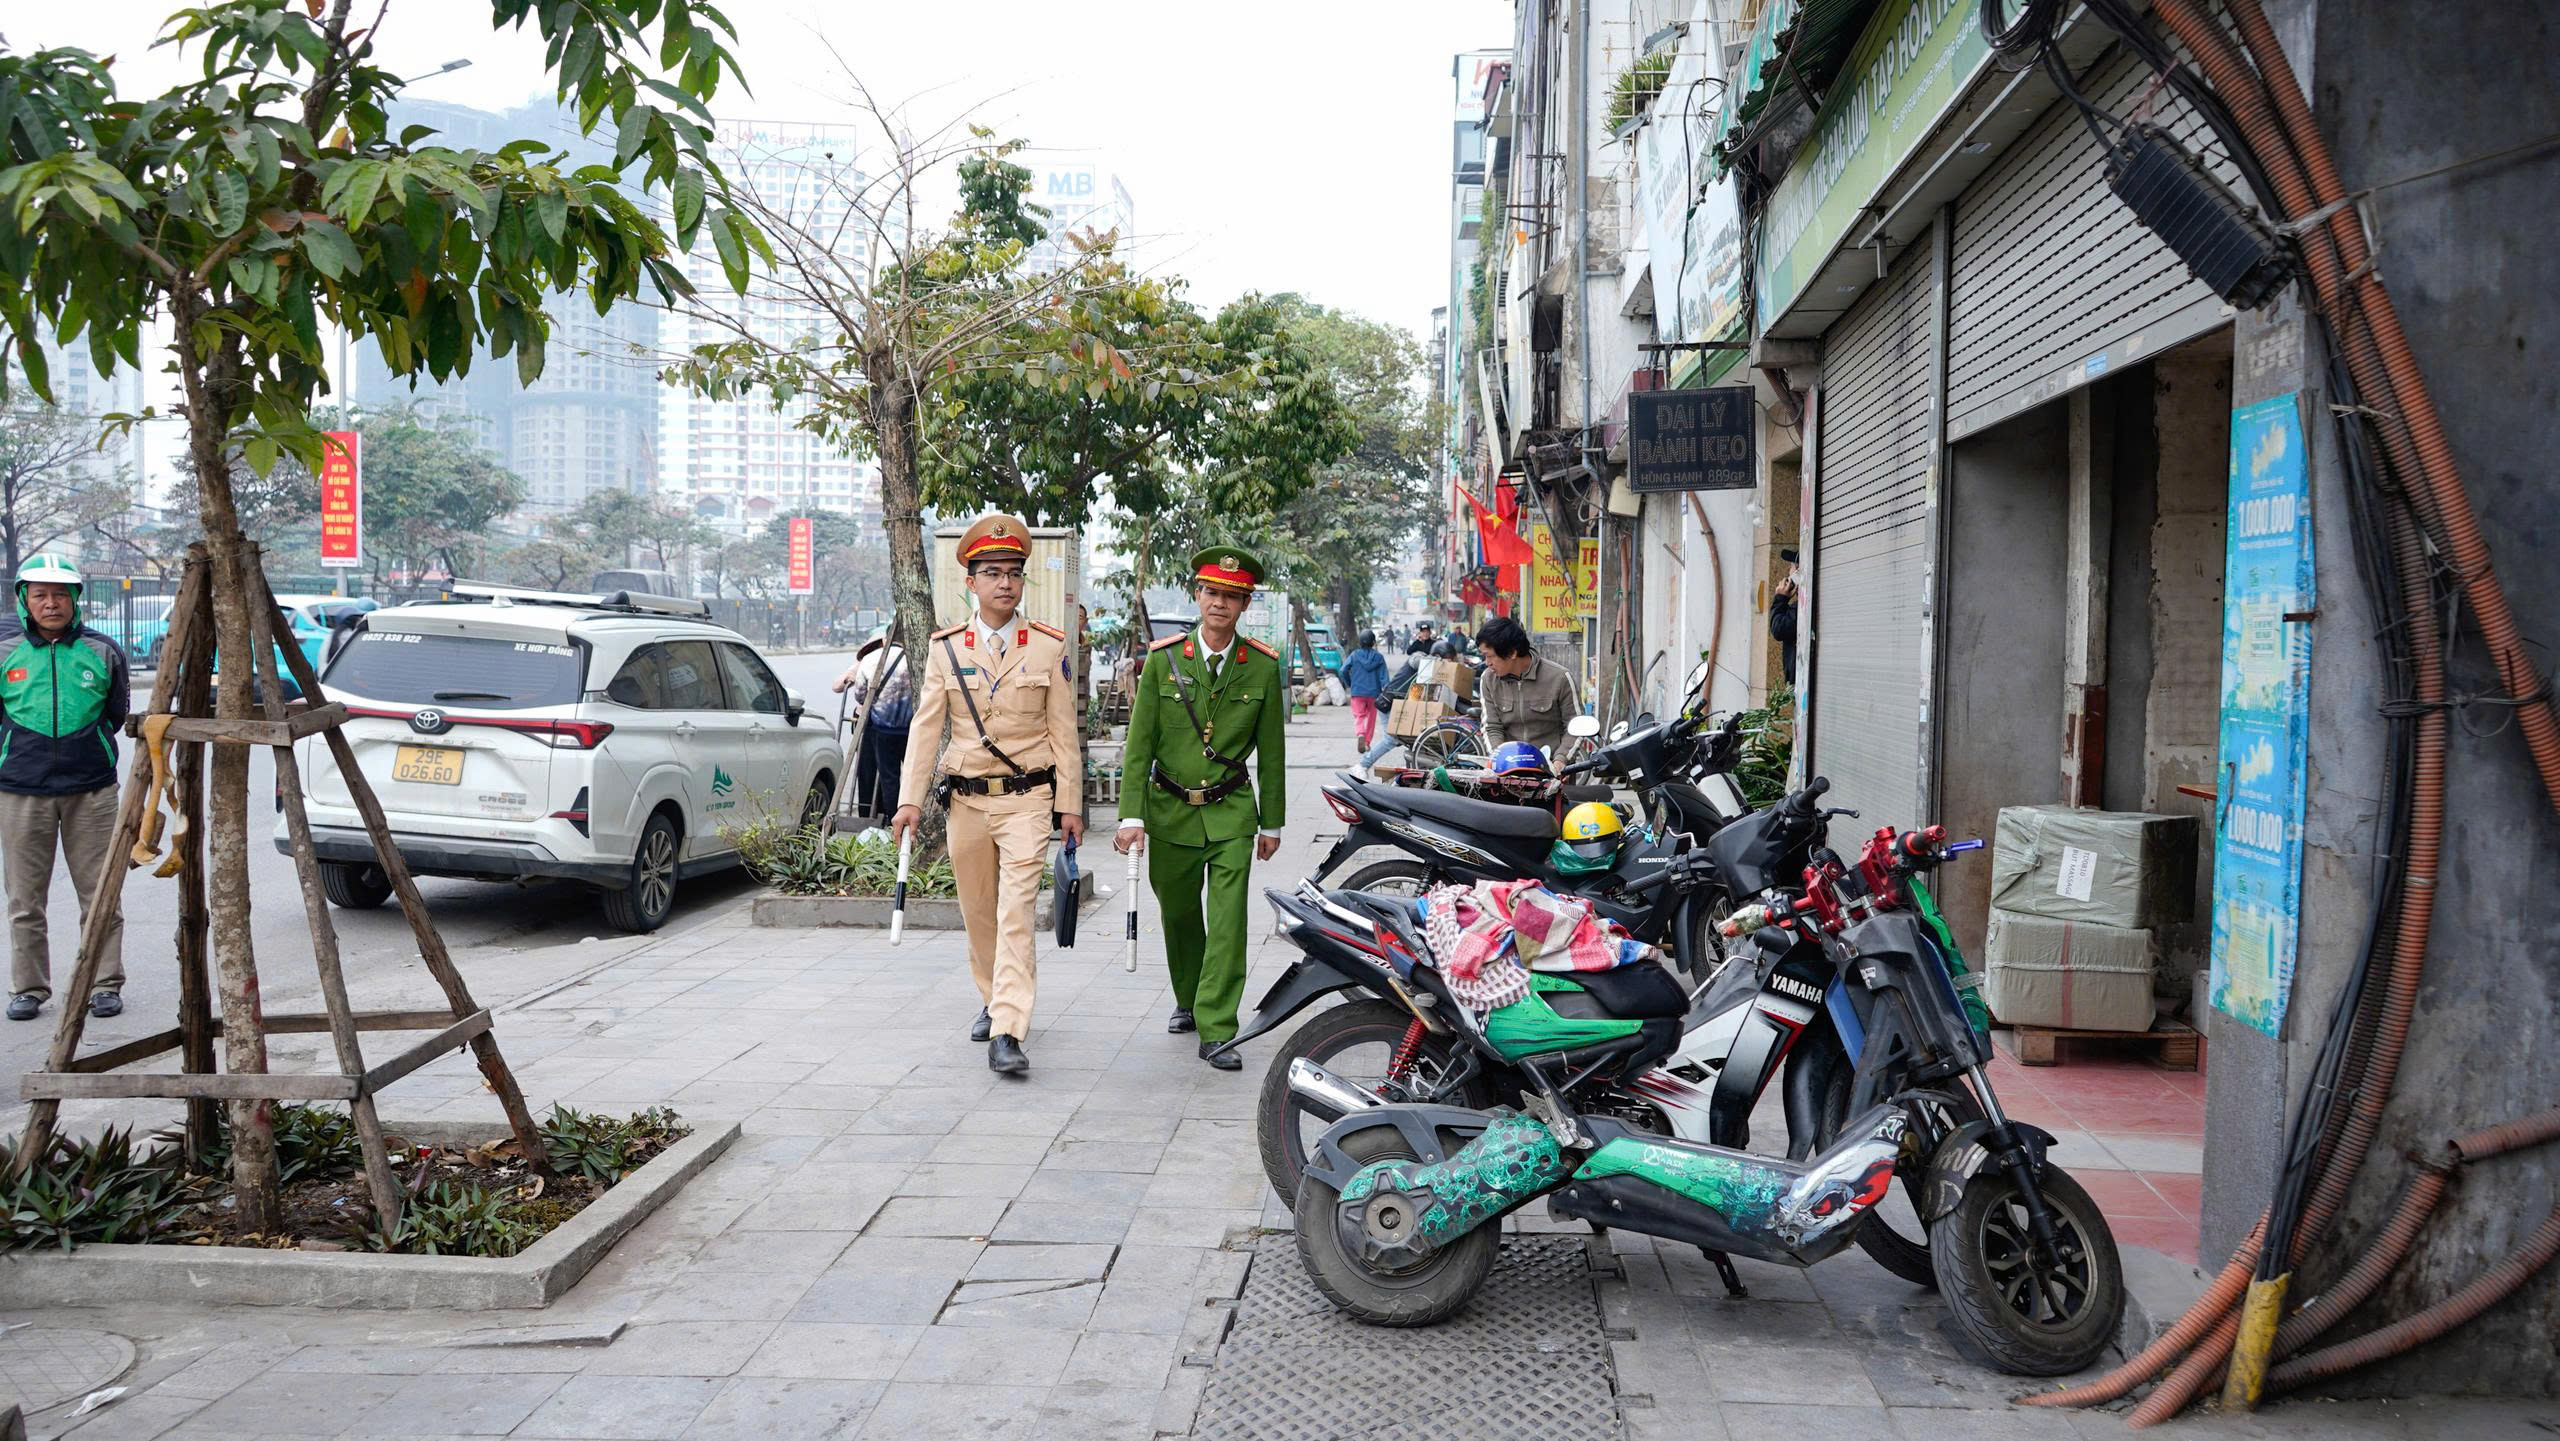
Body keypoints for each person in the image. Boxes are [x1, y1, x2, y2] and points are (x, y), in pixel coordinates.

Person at [893, 515, 1083, 1077]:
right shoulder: (945, 649)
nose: (1005, 583)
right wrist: (909, 800)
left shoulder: (1047, 647)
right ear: (970, 583)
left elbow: (1063, 733)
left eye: (1014, 573)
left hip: (1027, 800)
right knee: (978, 912)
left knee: (1016, 912)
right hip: (966, 803)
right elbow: (927, 729)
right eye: (993, 573)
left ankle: (1007, 1029)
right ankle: (991, 995)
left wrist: (1069, 804)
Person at [1115, 546, 1287, 1071]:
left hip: (1232, 812)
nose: (1220, 603)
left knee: (1229, 920)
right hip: (1169, 811)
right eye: (1212, 592)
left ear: (1244, 603)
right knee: (1180, 912)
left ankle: (1217, 1026)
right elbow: (1139, 745)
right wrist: (1131, 815)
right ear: (1197, 595)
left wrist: (1271, 822)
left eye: (1231, 596)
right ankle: (1189, 995)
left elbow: (1274, 752)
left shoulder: (1260, 667)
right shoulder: (1164, 661)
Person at [1, 555, 130, 1022]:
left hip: (91, 791)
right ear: (24, 600)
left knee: (100, 893)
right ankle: (29, 988)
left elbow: (114, 714)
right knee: (24, 899)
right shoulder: (4, 649)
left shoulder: (103, 651)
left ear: (75, 600)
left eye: (60, 594)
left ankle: (103, 983)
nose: (50, 603)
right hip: (20, 790)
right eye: (40, 595)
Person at [833, 627, 913, 821]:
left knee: (888, 778)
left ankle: (892, 819)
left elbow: (860, 695)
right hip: (912, 727)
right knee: (913, 776)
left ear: (885, 640)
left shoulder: (870, 660)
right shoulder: (916, 658)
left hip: (881, 727)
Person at [1476, 614, 1579, 756]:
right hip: (1510, 769)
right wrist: (1499, 757)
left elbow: (1575, 727)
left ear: (1512, 653)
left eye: (1490, 656)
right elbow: (1492, 727)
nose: (1487, 663)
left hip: (1552, 769)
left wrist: (1561, 759)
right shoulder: (1488, 679)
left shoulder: (1560, 678)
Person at [1340, 629, 1388, 752]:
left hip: (1357, 692)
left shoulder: (1354, 655)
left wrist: (1350, 683)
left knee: (1359, 716)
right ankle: (1366, 743)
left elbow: (1343, 670)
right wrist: (1386, 692)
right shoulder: (1379, 657)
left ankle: (1360, 734)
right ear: (1373, 642)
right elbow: (1384, 678)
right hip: (1374, 693)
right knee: (1371, 719)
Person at [1770, 547, 1801, 684]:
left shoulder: (1803, 609)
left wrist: (1780, 598)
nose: (1789, 572)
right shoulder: (1799, 606)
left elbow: (1779, 629)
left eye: (1792, 566)